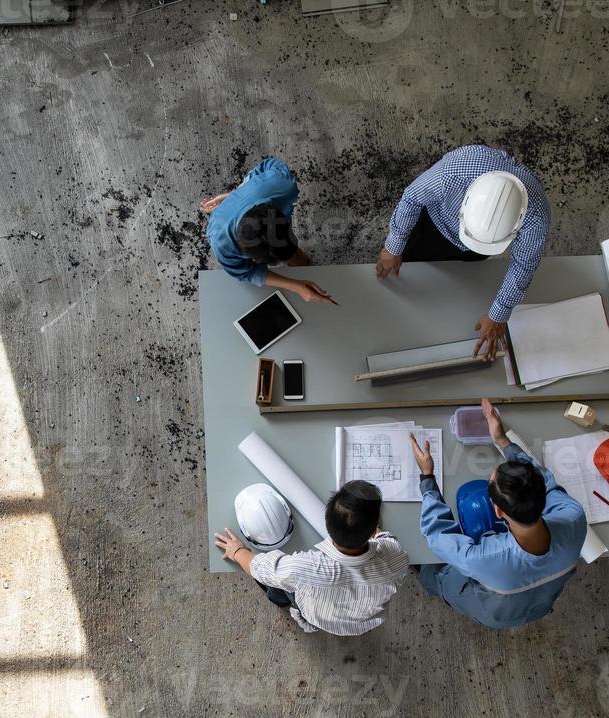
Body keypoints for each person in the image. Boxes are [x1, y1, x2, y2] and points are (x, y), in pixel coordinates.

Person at [409, 399, 586, 630]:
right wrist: (502, 440)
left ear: (498, 510)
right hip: (541, 601)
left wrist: (427, 477)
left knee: (441, 577)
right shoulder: (573, 517)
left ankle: (431, 580)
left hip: (496, 612)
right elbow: (545, 480)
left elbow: (436, 534)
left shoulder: (483, 558)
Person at [375, 145, 551, 360]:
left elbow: (523, 266)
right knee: (410, 268)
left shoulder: (536, 219)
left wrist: (498, 315)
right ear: (466, 202)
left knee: (461, 280)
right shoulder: (455, 171)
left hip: (474, 253)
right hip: (433, 225)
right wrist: (393, 247)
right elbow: (412, 199)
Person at [213, 481, 410, 635]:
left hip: (316, 616)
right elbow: (385, 538)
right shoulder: (396, 557)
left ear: (328, 526)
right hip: (362, 622)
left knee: (280, 587)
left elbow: (261, 569)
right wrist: (369, 526)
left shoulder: (308, 567)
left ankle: (279, 599)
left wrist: (237, 551)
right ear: (371, 531)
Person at [202, 157, 337, 305]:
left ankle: (299, 259)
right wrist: (295, 286)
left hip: (264, 209)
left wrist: (236, 194)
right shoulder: (220, 243)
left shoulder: (282, 184)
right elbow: (246, 272)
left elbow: (269, 164)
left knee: (293, 255)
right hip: (228, 220)